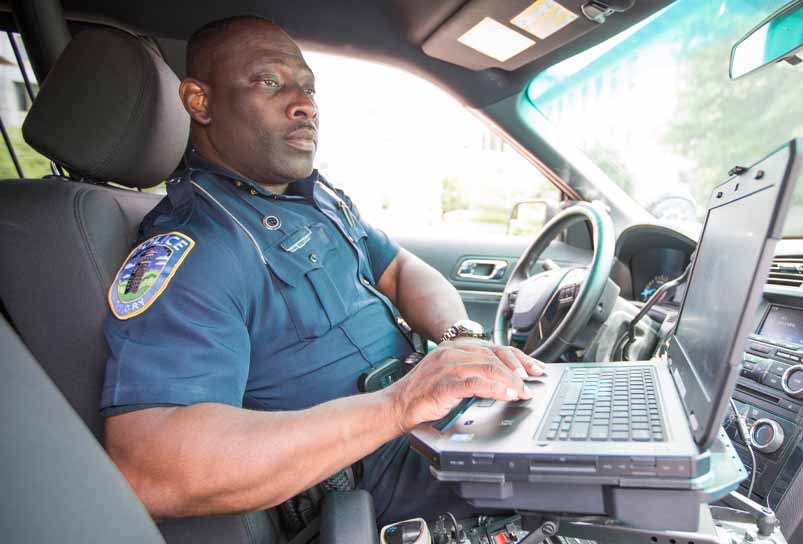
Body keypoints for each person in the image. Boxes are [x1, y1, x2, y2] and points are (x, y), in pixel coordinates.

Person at [101, 15, 545, 525]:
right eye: (269, 81)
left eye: (308, 87)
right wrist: (398, 405)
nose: (304, 104)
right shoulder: (197, 248)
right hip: (375, 484)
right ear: (200, 102)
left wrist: (460, 339)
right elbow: (151, 467)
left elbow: (400, 269)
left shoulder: (316, 197)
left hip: (433, 423)